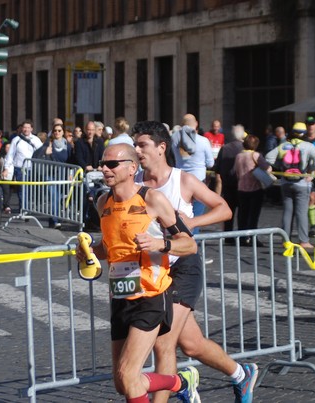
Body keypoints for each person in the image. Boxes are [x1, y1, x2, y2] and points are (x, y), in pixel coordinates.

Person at [132, 121, 258, 403]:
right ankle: (241, 374)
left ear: (161, 147)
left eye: (142, 145)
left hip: (183, 266)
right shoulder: (135, 182)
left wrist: (192, 221)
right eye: (135, 145)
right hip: (153, 269)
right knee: (191, 345)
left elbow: (224, 209)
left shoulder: (182, 180)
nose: (137, 150)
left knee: (164, 341)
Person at [75, 143, 200, 403]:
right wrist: (89, 252)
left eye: (112, 164)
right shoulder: (103, 202)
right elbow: (109, 248)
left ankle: (179, 382)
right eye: (102, 163)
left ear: (132, 168)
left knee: (129, 374)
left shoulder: (151, 198)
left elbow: (189, 244)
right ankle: (180, 382)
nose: (104, 169)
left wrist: (160, 244)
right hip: (121, 295)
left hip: (151, 296)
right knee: (122, 383)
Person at [265, 122, 315, 249]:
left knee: (287, 212)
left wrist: (279, 166)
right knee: (301, 213)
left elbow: (268, 158)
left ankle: (286, 240)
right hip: (302, 182)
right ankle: (303, 241)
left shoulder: (284, 145)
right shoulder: (308, 146)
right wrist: (311, 171)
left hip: (285, 182)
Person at [171, 114, 215, 233]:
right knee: (196, 214)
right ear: (196, 124)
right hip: (198, 179)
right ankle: (193, 242)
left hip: (180, 178)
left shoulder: (174, 138)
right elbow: (210, 163)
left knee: (181, 212)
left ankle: (182, 239)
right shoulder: (203, 140)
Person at [233, 134, 272, 246]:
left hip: (241, 188)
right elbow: (268, 168)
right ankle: (253, 238)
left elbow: (236, 171)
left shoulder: (238, 156)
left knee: (242, 214)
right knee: (253, 215)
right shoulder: (255, 155)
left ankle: (241, 237)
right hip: (254, 188)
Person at [33, 122, 71, 228]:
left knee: (59, 197)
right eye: (55, 131)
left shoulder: (67, 145)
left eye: (59, 131)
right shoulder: (48, 143)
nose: (57, 132)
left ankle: (53, 219)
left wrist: (71, 173)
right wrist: (45, 151)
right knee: (54, 196)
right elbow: (35, 156)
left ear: (63, 132)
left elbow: (71, 160)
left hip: (62, 174)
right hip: (49, 174)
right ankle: (55, 220)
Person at [2, 119, 43, 214]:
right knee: (22, 190)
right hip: (20, 168)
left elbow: (41, 152)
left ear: (31, 129)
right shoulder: (16, 140)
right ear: (22, 128)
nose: (26, 129)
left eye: (28, 127)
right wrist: (6, 168)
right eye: (24, 127)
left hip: (32, 169)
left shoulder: (36, 140)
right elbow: (10, 155)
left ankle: (28, 207)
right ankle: (23, 209)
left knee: (30, 190)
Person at [214, 124, 247, 237]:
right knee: (242, 211)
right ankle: (242, 235)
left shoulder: (225, 148)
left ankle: (228, 235)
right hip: (243, 184)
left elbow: (217, 168)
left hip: (228, 183)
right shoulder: (245, 148)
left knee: (229, 211)